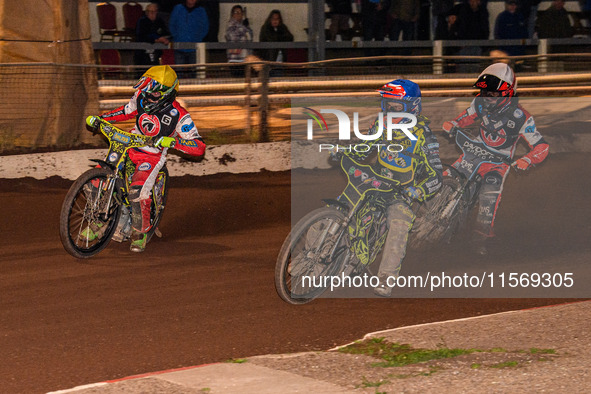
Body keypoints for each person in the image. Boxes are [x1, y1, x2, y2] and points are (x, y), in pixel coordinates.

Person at [341, 79, 443, 297]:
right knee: (341, 206)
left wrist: (419, 191)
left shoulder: (424, 136)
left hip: (400, 193)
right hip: (373, 181)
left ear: (411, 107)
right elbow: (364, 147)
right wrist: (346, 151)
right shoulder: (381, 124)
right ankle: (306, 258)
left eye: (397, 107)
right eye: (387, 105)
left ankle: (386, 278)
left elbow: (436, 176)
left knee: (399, 222)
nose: (391, 110)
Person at [96, 65, 206, 252]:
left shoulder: (179, 115)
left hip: (152, 156)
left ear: (166, 94)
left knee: (137, 190)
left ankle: (140, 231)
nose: (147, 96)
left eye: (153, 94)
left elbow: (199, 147)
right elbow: (126, 111)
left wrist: (172, 142)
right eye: (146, 91)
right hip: (129, 145)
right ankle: (97, 221)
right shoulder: (140, 97)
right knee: (99, 177)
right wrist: (102, 118)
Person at [442, 63, 549, 255]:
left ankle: (480, 239)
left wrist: (527, 159)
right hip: (473, 152)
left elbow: (542, 146)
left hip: (497, 163)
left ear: (508, 92)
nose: (487, 97)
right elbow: (467, 116)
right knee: (444, 175)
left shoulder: (521, 117)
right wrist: (454, 123)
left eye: (492, 94)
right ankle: (423, 214)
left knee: (489, 195)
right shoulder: (480, 103)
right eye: (484, 92)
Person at [169, 0, 210, 66]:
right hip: (179, 46)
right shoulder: (178, 8)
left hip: (195, 47)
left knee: (194, 71)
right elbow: (172, 24)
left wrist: (197, 39)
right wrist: (177, 36)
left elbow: (205, 27)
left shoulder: (201, 11)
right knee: (179, 71)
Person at [134, 3, 170, 69]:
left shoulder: (159, 21)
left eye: (155, 11)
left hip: (156, 53)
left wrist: (165, 39)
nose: (153, 13)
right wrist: (156, 39)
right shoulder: (142, 21)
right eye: (151, 11)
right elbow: (141, 36)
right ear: (147, 12)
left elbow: (165, 32)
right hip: (142, 54)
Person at [224, 5, 253, 77]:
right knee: (237, 80)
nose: (238, 14)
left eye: (240, 12)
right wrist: (244, 30)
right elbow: (233, 37)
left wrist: (246, 27)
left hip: (245, 58)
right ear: (232, 14)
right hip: (235, 58)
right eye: (236, 12)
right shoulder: (230, 25)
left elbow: (250, 37)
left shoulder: (244, 25)